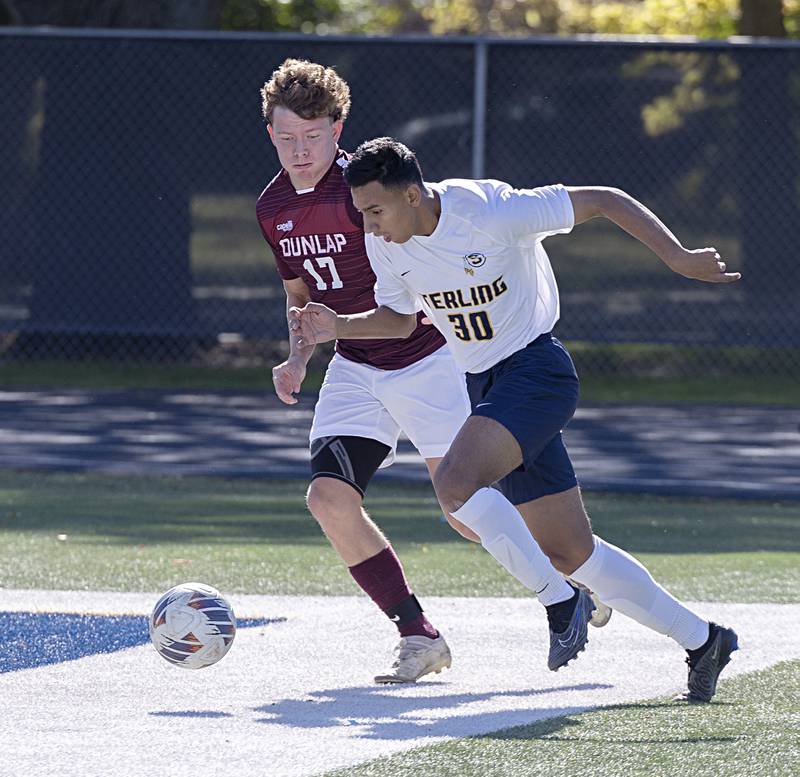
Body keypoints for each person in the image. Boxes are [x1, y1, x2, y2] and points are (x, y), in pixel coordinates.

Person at [291, 136, 741, 702]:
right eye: (361, 213)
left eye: (376, 211)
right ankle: (704, 642)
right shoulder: (387, 243)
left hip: (537, 371)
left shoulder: (488, 210)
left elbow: (602, 198)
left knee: (454, 482)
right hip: (487, 385)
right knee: (573, 551)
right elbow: (400, 321)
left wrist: (678, 257)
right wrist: (338, 326)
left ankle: (560, 599)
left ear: (413, 194)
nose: (369, 226)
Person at [256, 59, 466, 685]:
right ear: (270, 133)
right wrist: (297, 356)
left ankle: (572, 574)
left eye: (313, 137)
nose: (300, 150)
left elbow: (405, 313)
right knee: (328, 499)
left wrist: (333, 330)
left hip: (426, 360)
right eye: (287, 137)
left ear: (338, 129)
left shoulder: (363, 191)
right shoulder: (271, 208)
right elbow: (300, 294)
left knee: (468, 512)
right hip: (356, 366)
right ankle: (418, 635)